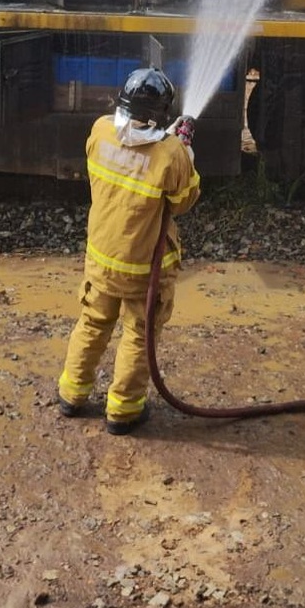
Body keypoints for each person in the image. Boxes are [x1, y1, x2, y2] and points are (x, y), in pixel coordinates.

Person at [57, 66, 200, 435]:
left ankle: (72, 395)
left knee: (92, 322)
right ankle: (122, 411)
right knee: (138, 333)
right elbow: (184, 200)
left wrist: (170, 144)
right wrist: (185, 149)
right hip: (143, 269)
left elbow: (133, 149)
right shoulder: (171, 155)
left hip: (101, 260)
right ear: (161, 116)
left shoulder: (101, 131)